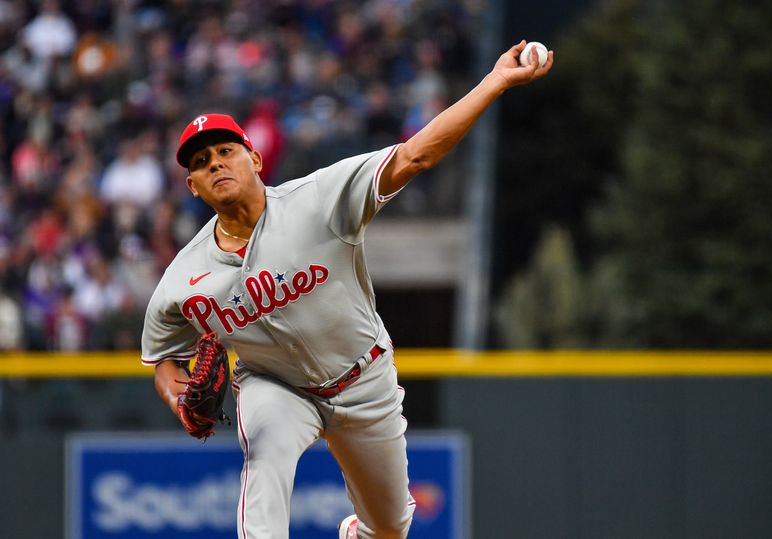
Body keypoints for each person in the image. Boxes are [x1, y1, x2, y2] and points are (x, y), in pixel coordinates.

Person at [141, 40, 553, 539]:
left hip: (362, 381)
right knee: (264, 451)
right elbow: (163, 357)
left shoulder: (318, 200)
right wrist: (179, 398)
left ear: (253, 157)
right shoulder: (183, 279)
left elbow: (416, 156)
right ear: (193, 187)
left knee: (390, 528)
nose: (216, 164)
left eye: (226, 151)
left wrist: (494, 82)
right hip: (277, 386)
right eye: (201, 162)